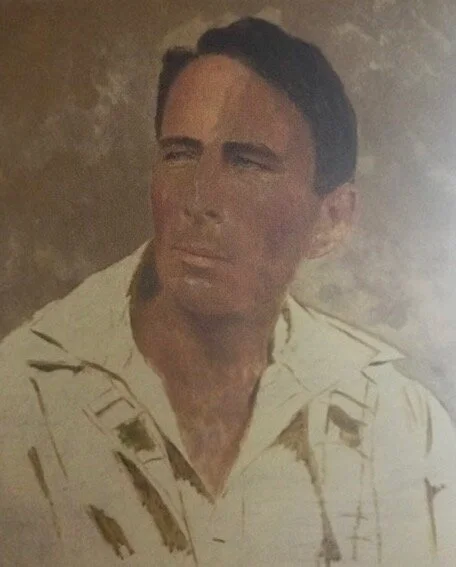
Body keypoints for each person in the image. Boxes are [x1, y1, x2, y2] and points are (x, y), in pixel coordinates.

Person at [1, 17, 455, 566]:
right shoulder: (22, 397)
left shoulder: (400, 424)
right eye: (180, 154)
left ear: (332, 219)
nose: (199, 199)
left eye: (248, 164)